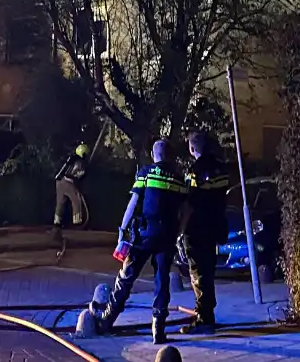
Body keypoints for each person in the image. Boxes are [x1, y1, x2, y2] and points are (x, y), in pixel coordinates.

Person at [95, 139, 188, 344]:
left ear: (154, 155)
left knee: (126, 276)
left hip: (144, 235)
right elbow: (185, 211)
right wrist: (178, 233)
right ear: (170, 156)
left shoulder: (145, 174)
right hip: (167, 236)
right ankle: (158, 329)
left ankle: (107, 320)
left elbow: (133, 203)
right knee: (162, 282)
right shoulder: (179, 180)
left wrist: (122, 231)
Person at [177, 131, 230, 334]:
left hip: (197, 228)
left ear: (192, 148)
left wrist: (180, 231)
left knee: (198, 273)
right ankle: (208, 313)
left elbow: (190, 203)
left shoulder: (195, 171)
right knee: (208, 272)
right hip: (214, 226)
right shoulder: (221, 168)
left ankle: (204, 318)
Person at [50, 142, 89, 242]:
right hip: (69, 182)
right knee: (76, 200)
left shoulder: (69, 159)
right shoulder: (79, 162)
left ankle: (57, 222)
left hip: (59, 181)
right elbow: (76, 175)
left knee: (60, 203)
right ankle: (77, 222)